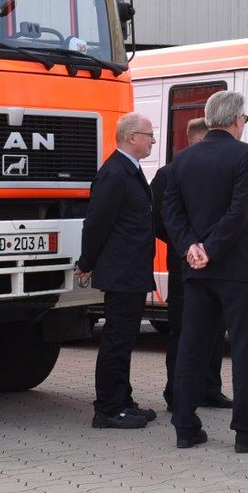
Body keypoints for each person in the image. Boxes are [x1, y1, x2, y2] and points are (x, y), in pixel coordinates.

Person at [162, 91, 248, 453]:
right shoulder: (244, 154)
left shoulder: (182, 159)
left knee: (191, 346)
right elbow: (237, 211)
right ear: (234, 120)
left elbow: (171, 212)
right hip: (234, 268)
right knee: (243, 349)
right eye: (244, 118)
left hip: (195, 269)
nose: (244, 123)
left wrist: (191, 248)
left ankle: (185, 427)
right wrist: (211, 250)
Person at [77, 112, 159, 429]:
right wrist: (87, 262)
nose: (153, 140)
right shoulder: (114, 173)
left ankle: (123, 400)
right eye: (149, 135)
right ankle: (108, 409)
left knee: (125, 340)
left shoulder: (130, 170)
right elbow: (96, 223)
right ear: (131, 137)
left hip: (132, 271)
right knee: (117, 341)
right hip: (122, 272)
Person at [151, 118, 232, 412]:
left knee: (215, 329)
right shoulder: (168, 173)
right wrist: (186, 245)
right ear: (198, 141)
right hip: (183, 265)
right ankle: (176, 393)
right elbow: (158, 220)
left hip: (216, 263)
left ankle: (210, 389)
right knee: (182, 330)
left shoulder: (220, 172)